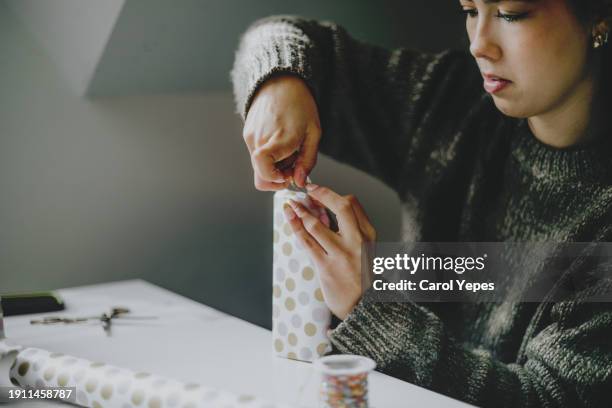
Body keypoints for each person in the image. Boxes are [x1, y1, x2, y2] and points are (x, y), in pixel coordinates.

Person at [231, 1, 612, 406]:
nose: (479, 45)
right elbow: (280, 35)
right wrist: (280, 84)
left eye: (510, 14)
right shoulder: (451, 101)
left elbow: (547, 399)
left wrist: (373, 310)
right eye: (470, 10)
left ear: (598, 18)